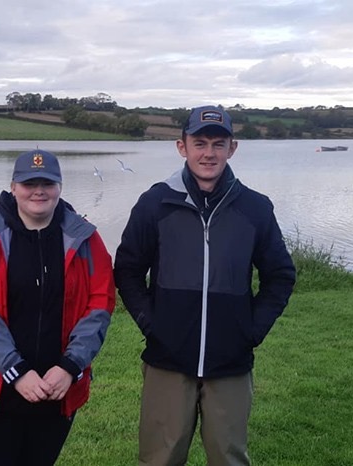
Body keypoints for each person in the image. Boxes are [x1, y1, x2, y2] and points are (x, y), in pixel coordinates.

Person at [114, 105, 296, 466]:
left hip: (230, 363)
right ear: (182, 147)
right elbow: (128, 270)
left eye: (218, 144)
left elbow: (280, 276)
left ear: (232, 148)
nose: (208, 153)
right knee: (159, 459)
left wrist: (251, 330)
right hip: (167, 361)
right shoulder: (155, 204)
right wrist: (152, 325)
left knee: (229, 458)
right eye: (199, 143)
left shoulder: (255, 209)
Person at [0, 149, 116, 466]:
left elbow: (100, 303)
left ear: (60, 187)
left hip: (56, 389)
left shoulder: (86, 239)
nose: (38, 191)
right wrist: (16, 371)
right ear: (13, 187)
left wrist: (71, 365)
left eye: (47, 183)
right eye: (29, 183)